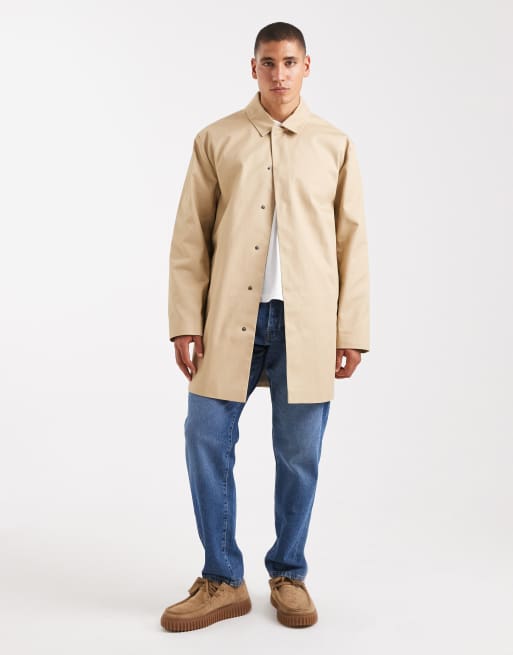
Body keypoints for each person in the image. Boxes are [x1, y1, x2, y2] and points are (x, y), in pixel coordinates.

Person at [161, 21, 370, 632]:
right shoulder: (216, 139)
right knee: (205, 436)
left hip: (308, 324)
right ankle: (223, 578)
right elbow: (190, 237)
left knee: (300, 455)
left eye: (290, 62)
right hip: (230, 318)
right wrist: (185, 321)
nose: (280, 74)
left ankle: (289, 574)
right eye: (269, 63)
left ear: (307, 66)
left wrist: (351, 330)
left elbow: (352, 241)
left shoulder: (334, 144)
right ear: (253, 68)